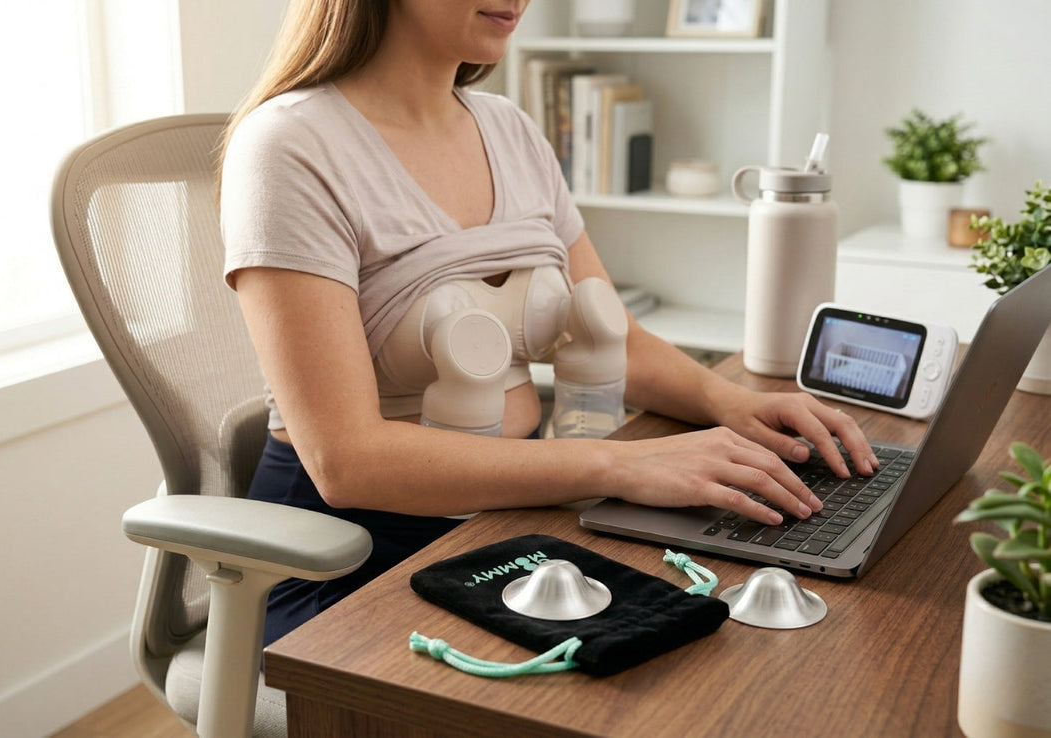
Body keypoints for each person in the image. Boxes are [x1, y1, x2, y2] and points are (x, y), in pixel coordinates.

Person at [219, 0, 879, 647]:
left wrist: (733, 404)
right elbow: (347, 461)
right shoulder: (289, 146)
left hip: (508, 524)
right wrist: (620, 466)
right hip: (348, 562)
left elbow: (620, 340)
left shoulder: (509, 130)